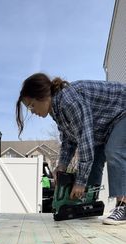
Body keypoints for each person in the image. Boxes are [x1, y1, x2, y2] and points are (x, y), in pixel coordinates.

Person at [16, 73, 126, 225]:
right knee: (94, 164)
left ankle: (123, 205)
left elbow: (85, 141)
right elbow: (69, 140)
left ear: (42, 95)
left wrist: (80, 182)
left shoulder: (68, 101)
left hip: (123, 111)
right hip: (105, 124)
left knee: (114, 151)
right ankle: (88, 205)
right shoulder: (56, 110)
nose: (32, 111)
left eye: (31, 105)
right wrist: (61, 166)